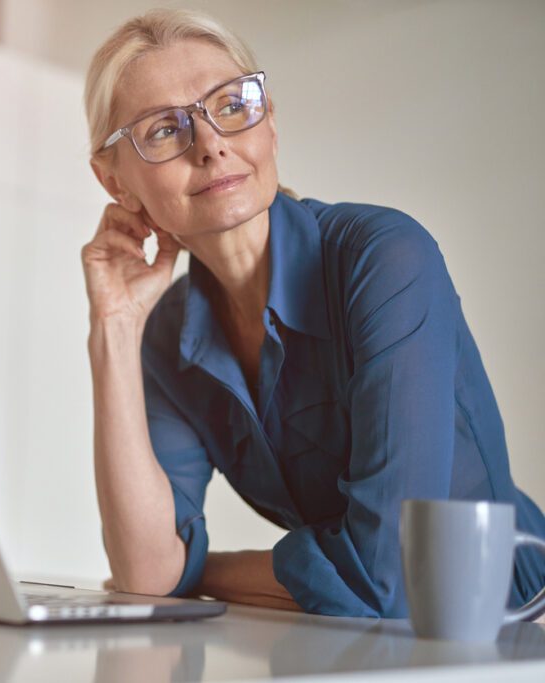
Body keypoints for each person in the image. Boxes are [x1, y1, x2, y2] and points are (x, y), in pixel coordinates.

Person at [79, 8, 545, 618]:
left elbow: (391, 579)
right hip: (348, 639)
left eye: (231, 104)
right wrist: (112, 327)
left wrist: (202, 570)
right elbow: (145, 572)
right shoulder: (167, 335)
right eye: (165, 130)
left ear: (270, 123)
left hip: (511, 625)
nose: (212, 145)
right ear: (116, 182)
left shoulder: (384, 258)